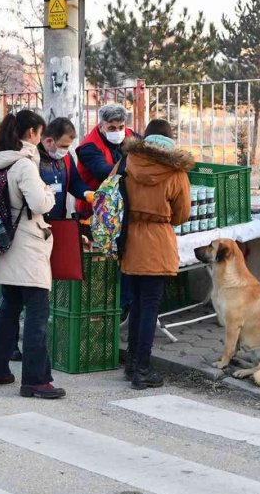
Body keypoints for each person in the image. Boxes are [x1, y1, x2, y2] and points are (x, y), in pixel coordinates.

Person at [0, 110, 66, 399]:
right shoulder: (24, 165)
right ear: (30, 133)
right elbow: (39, 204)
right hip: (28, 246)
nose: (41, 140)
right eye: (40, 134)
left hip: (6, 244)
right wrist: (51, 193)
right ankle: (35, 379)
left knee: (9, 309)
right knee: (37, 314)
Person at [8, 117, 89, 362]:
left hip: (56, 228)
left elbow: (73, 181)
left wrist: (86, 193)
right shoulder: (30, 161)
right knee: (21, 293)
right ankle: (14, 344)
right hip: (29, 231)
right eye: (63, 145)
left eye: (69, 146)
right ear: (47, 140)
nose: (66, 151)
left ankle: (43, 340)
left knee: (44, 291)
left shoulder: (64, 159)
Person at [121, 133, 194, 389]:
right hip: (157, 240)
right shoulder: (176, 174)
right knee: (150, 305)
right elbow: (181, 215)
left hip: (129, 239)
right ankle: (143, 368)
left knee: (136, 303)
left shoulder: (127, 164)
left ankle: (131, 364)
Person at [77, 103, 139, 319]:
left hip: (124, 210)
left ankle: (125, 305)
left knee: (126, 257)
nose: (117, 132)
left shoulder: (130, 136)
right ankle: (109, 308)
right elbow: (107, 174)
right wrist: (135, 162)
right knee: (106, 262)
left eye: (120, 126)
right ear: (101, 126)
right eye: (111, 128)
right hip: (95, 214)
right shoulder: (88, 148)